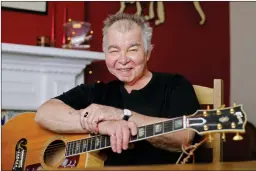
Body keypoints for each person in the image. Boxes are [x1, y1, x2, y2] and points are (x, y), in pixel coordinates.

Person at [35, 13, 200, 166]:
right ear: (106, 54)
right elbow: (44, 113)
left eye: (133, 49)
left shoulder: (175, 84)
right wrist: (103, 125)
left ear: (147, 52)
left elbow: (185, 136)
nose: (123, 60)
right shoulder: (96, 91)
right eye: (114, 50)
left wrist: (121, 115)